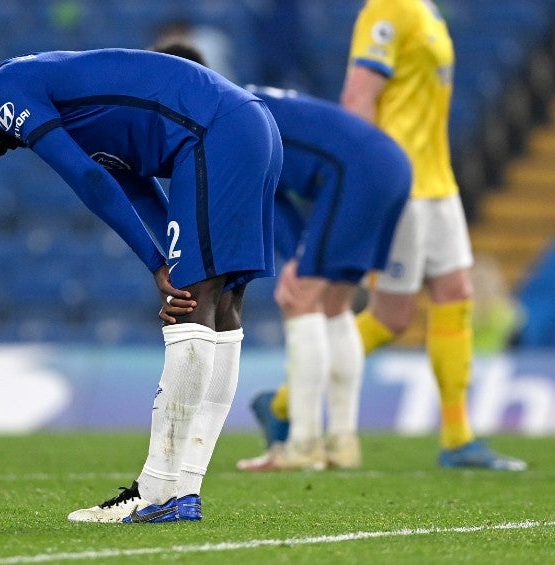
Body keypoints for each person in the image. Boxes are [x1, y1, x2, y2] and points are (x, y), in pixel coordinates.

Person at [0, 48, 282, 522]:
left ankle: (157, 491)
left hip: (212, 132)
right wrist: (169, 260)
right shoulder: (61, 97)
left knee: (193, 301)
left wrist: (158, 262)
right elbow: (130, 177)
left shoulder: (3, 91)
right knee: (221, 302)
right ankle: (184, 490)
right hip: (249, 127)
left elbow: (87, 178)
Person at [245, 0, 527, 471]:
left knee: (454, 293)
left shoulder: (428, 13)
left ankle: (458, 439)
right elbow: (358, 97)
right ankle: (283, 405)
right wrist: (361, 183)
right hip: (401, 182)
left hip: (439, 182)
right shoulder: (387, 10)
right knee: (391, 316)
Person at [154, 43, 410, 471]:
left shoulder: (222, 121)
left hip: (356, 172)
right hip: (390, 164)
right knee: (334, 304)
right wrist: (297, 256)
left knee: (299, 298)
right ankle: (342, 441)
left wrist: (296, 258)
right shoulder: (247, 101)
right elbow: (273, 188)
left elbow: (261, 191)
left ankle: (304, 444)